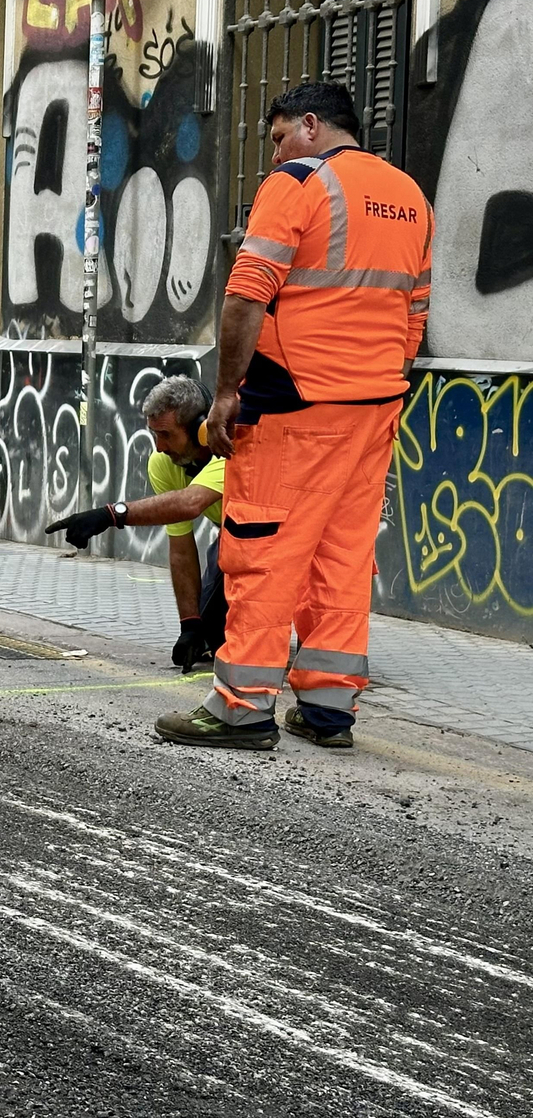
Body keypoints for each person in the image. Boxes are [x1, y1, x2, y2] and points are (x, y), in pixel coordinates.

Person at [156, 81, 432, 752]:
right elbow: (415, 314)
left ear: (312, 125)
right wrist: (383, 387)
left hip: (294, 408)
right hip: (373, 410)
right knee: (342, 558)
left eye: (279, 137)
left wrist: (227, 392)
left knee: (263, 553)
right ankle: (328, 709)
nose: (275, 152)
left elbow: (247, 294)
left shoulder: (298, 183)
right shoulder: (410, 198)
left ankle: (241, 708)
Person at [45, 375, 227, 673]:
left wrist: (111, 514)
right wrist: (190, 625)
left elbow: (190, 502)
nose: (159, 446)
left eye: (166, 435)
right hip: (235, 534)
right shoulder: (163, 463)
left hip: (287, 532)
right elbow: (181, 548)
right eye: (154, 434)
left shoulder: (229, 449)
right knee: (212, 635)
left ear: (201, 430)